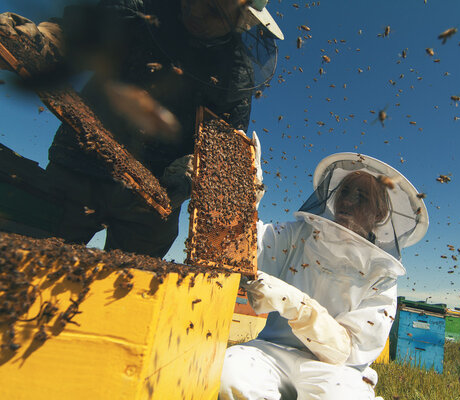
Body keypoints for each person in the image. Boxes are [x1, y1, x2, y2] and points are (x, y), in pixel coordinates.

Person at [0, 0, 283, 257]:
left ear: (241, 23)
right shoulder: (142, 7)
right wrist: (39, 41)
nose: (196, 11)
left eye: (214, 11)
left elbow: (220, 149)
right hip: (80, 165)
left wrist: (190, 171)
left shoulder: (235, 76)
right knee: (27, 258)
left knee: (129, 292)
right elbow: (79, 34)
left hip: (154, 198)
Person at [219, 152, 429, 399]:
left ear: (380, 215)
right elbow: (248, 248)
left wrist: (297, 306)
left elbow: (344, 351)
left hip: (337, 371)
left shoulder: (382, 276)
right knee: (227, 375)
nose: (347, 202)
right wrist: (241, 199)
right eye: (344, 192)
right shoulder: (299, 234)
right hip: (272, 351)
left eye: (360, 197)